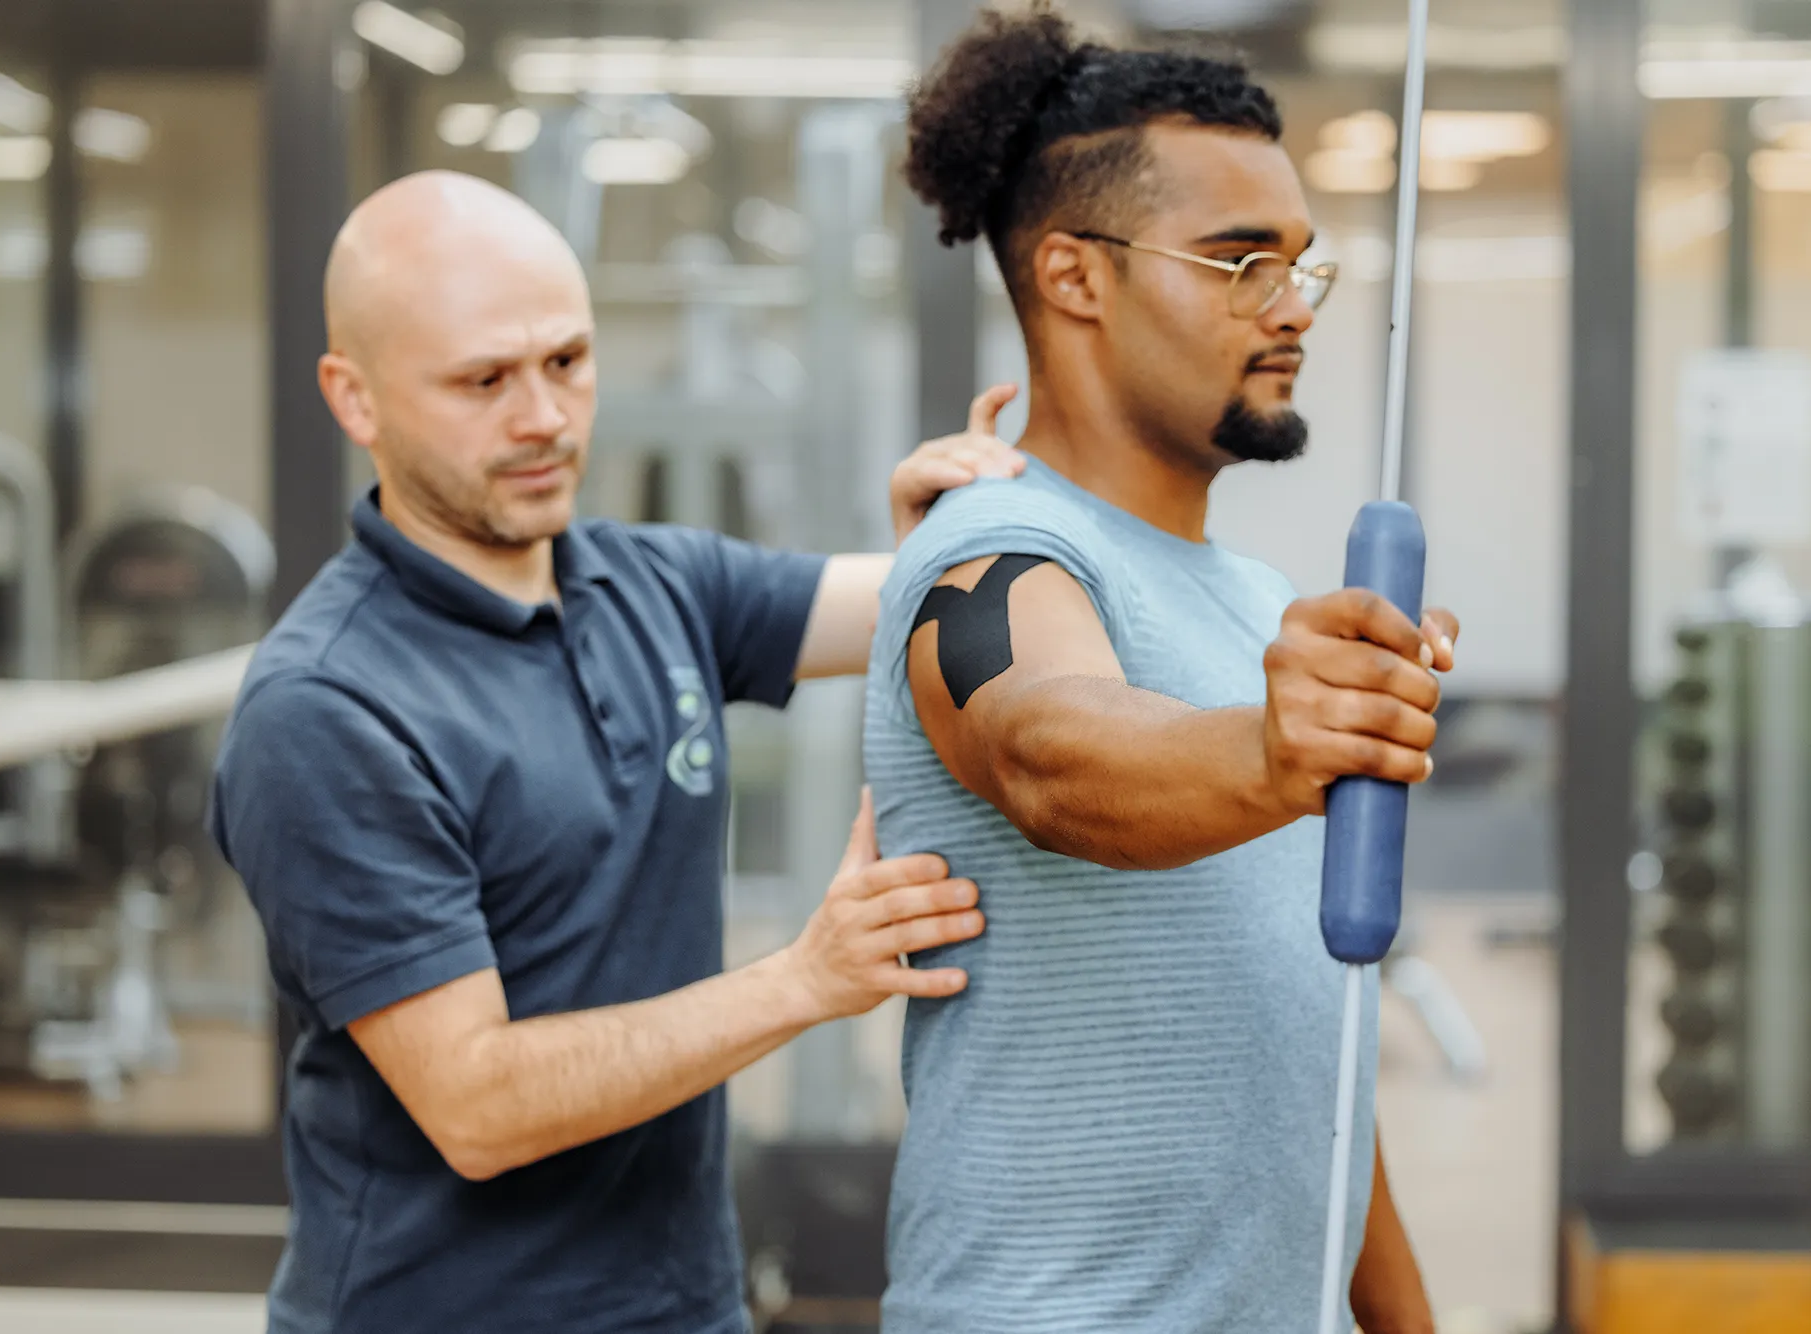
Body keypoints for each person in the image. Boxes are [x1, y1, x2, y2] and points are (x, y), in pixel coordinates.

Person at [208, 170, 1023, 1334]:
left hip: (680, 1303)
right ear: (356, 397)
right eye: (483, 379)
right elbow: (478, 1104)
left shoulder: (650, 580)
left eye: (567, 361)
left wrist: (972, 520)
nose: (543, 415)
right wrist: (801, 980)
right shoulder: (328, 706)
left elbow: (896, 600)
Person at [864, 10, 1459, 1333]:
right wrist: (1269, 751)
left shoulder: (1253, 601)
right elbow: (1046, 748)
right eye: (1240, 262)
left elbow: (1318, 1058)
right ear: (1075, 275)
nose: (1292, 307)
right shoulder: (993, 552)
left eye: (1303, 265)